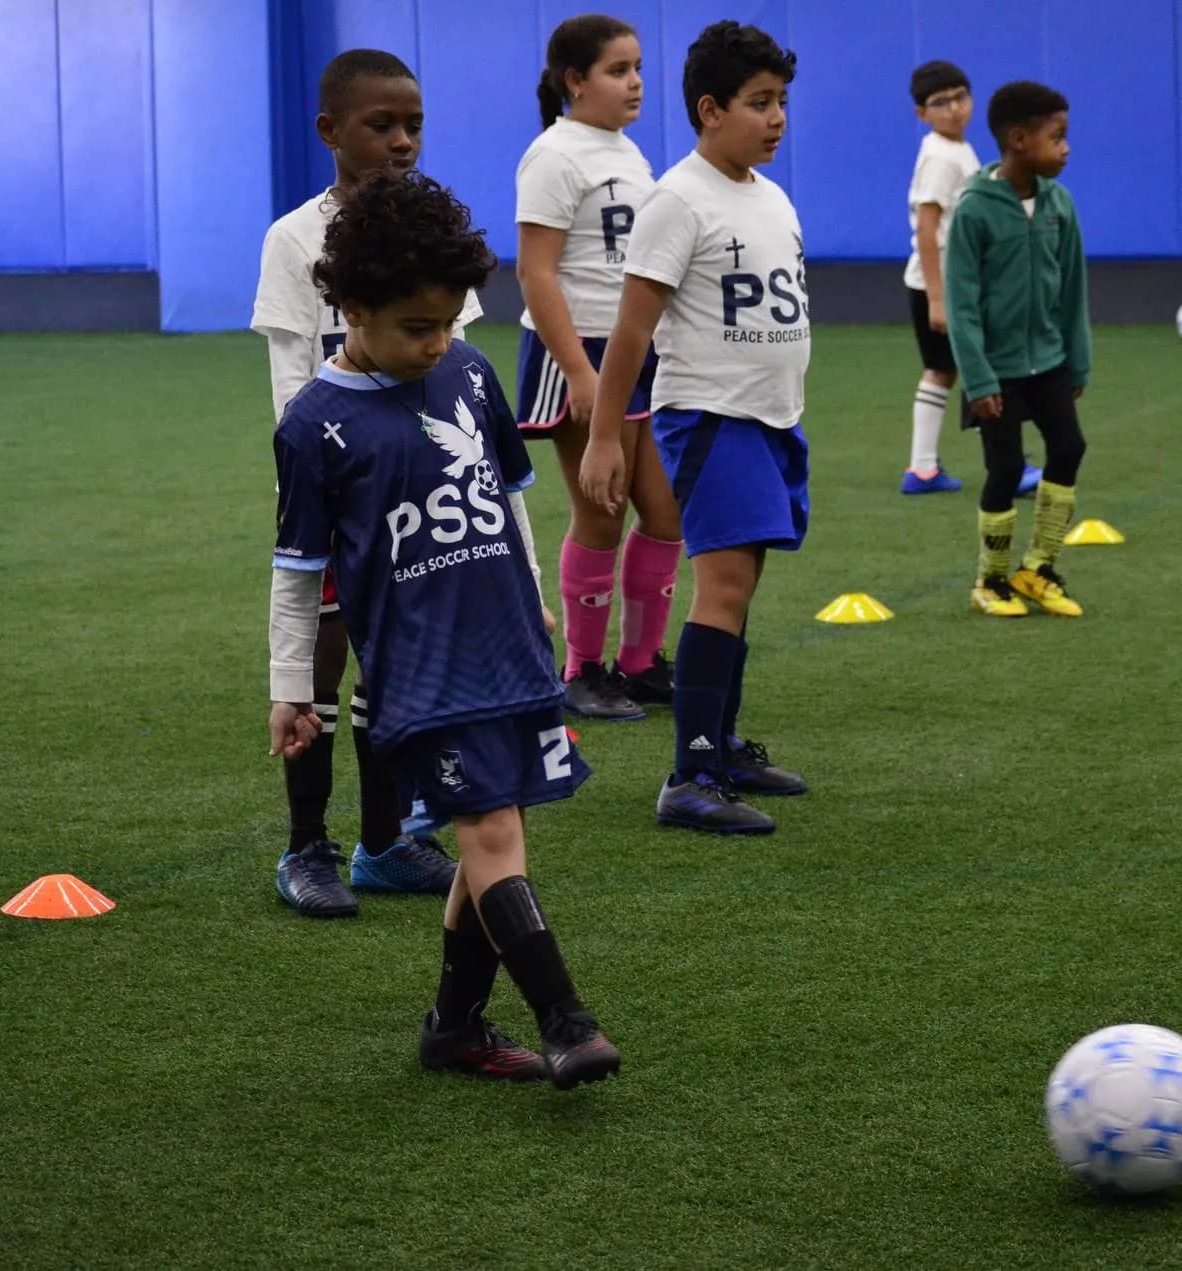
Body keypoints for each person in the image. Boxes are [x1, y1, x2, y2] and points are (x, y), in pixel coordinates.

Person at [268, 169, 619, 1088]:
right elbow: (297, 575)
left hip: (506, 641)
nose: (437, 342)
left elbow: (508, 498)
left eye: (449, 321)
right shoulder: (313, 426)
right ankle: (567, 1020)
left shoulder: (468, 370)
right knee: (491, 831)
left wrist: (533, 594)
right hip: (421, 668)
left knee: (494, 839)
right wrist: (291, 689)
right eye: (416, 327)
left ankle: (454, 1027)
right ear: (352, 309)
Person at [252, 49, 501, 916]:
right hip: (338, 488)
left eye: (414, 125)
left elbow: (454, 362)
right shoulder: (294, 239)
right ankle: (305, 846)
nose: (402, 141)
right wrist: (331, 469)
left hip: (421, 494)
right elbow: (292, 387)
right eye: (381, 124)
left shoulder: (431, 228)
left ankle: (385, 841)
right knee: (324, 656)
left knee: (395, 662)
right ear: (330, 131)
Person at [579, 20, 809, 835]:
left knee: (743, 585)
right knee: (724, 586)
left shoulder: (771, 196)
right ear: (710, 110)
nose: (776, 118)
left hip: (772, 421)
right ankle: (692, 773)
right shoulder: (678, 199)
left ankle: (726, 749)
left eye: (781, 101)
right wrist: (605, 436)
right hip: (712, 418)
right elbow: (631, 331)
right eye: (759, 103)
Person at [516, 14, 684, 722]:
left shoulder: (628, 151)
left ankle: (640, 664)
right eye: (618, 70)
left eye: (638, 67)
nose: (636, 82)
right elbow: (535, 274)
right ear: (574, 81)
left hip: (633, 353)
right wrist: (579, 374)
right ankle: (582, 670)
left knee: (666, 511)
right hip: (579, 353)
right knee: (602, 511)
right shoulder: (554, 155)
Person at [946, 81, 1091, 620]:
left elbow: (1073, 289)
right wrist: (978, 380)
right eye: (1058, 137)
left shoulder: (1060, 204)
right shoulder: (974, 211)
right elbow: (961, 305)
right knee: (1005, 469)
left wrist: (1078, 360)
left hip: (1049, 361)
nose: (1066, 148)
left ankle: (1039, 567)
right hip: (997, 370)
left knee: (1069, 448)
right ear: (1018, 140)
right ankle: (990, 580)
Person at [899, 61, 1041, 500]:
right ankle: (1004, 465)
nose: (954, 108)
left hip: (957, 285)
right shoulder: (941, 157)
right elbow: (927, 229)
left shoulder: (956, 149)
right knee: (979, 370)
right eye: (940, 103)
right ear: (921, 113)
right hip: (942, 286)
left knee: (949, 371)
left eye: (960, 97)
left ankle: (924, 468)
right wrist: (938, 299)